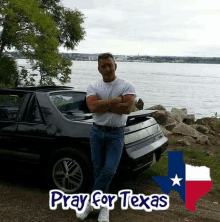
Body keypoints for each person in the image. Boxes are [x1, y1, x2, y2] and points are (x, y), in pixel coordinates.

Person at [76, 53, 136, 222]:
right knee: (99, 171)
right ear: (99, 69)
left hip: (116, 134)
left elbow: (127, 109)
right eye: (104, 66)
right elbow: (93, 107)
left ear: (115, 65)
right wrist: (115, 101)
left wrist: (104, 104)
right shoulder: (93, 86)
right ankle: (104, 208)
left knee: (109, 170)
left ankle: (90, 202)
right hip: (97, 132)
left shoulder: (126, 85)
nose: (108, 68)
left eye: (110, 65)